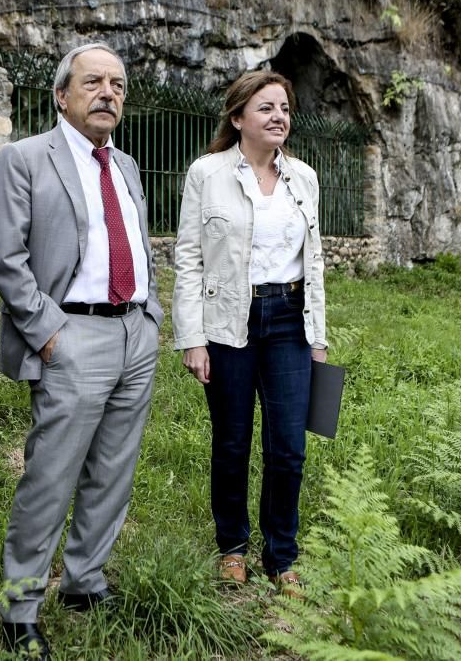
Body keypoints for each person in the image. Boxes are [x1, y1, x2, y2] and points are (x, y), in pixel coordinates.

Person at [0, 42, 162, 658]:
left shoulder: (129, 166)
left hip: (133, 333)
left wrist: (152, 315)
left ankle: (85, 580)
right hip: (72, 334)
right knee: (51, 476)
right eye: (93, 82)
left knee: (113, 470)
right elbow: (6, 260)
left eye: (117, 83)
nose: (108, 93)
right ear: (62, 95)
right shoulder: (25, 158)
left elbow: (137, 245)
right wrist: (49, 331)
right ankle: (21, 605)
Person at [172, 70, 327, 595]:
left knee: (289, 447)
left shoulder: (304, 178)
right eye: (266, 108)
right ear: (238, 118)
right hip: (228, 322)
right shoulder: (207, 173)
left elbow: (316, 265)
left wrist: (319, 338)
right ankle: (233, 548)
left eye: (284, 107)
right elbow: (189, 258)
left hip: (289, 320)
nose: (278, 116)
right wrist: (192, 337)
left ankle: (282, 556)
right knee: (233, 441)